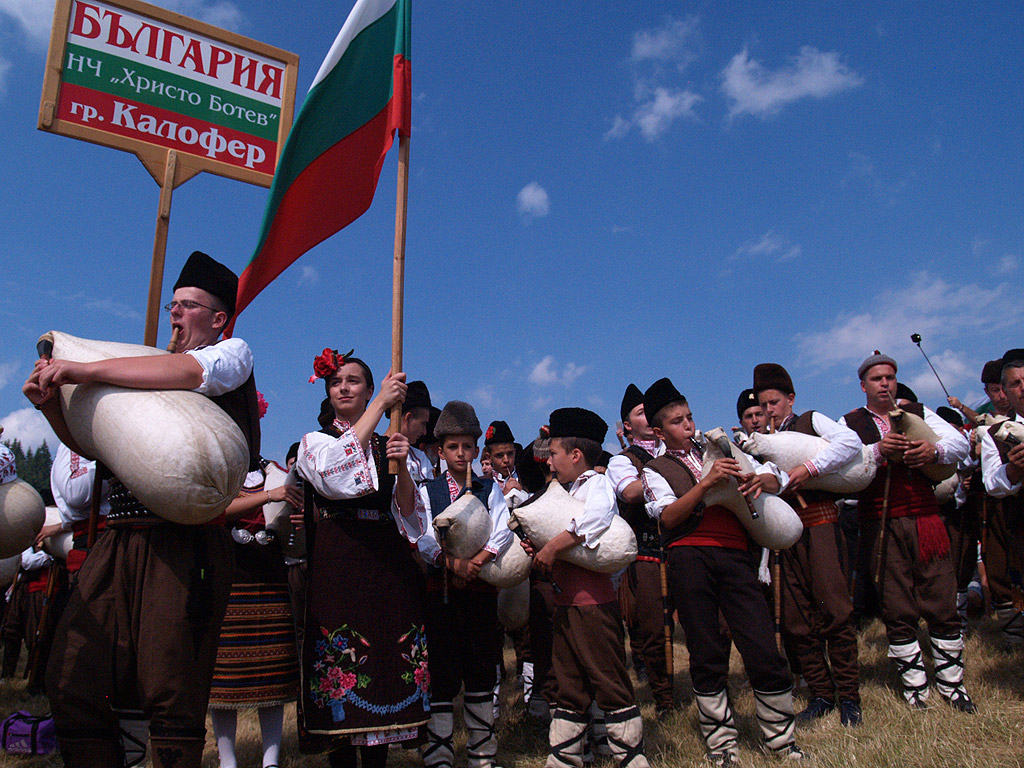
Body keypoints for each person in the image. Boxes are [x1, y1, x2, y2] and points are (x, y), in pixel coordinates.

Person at [25, 251, 261, 767]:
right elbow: (95, 448)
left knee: (171, 683)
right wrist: (51, 405)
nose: (174, 313)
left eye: (189, 306)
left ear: (218, 319)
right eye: (172, 304)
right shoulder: (141, 368)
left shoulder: (232, 354)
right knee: (77, 676)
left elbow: (191, 371)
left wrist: (83, 370)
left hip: (184, 544)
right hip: (118, 541)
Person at [640, 378, 802, 765]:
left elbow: (772, 473)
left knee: (761, 644)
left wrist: (764, 479)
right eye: (678, 421)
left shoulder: (721, 448)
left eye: (690, 416)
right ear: (661, 432)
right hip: (689, 558)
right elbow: (668, 517)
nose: (689, 426)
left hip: (735, 555)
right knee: (706, 650)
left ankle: (781, 741)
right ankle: (722, 745)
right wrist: (707, 483)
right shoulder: (655, 469)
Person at [294, 348, 427, 768]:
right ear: (329, 394)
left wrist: (402, 466)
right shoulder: (315, 443)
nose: (344, 387)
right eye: (337, 382)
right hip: (339, 564)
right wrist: (381, 406)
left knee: (386, 669)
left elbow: (411, 516)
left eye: (354, 381)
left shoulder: (391, 444)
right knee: (342, 669)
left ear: (368, 388)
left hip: (386, 567)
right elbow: (335, 478)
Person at [840, 351, 974, 713]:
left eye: (889, 377)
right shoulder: (849, 422)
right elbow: (843, 467)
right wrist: (877, 450)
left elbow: (960, 445)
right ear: (863, 385)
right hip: (879, 523)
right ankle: (916, 687)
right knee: (897, 605)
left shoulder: (918, 412)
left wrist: (933, 450)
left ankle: (952, 684)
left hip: (925, 519)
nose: (884, 383)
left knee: (942, 597)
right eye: (876, 379)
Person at [525, 407, 649, 768]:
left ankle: (631, 759)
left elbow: (594, 520)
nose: (549, 464)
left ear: (575, 455)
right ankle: (565, 759)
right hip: (566, 603)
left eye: (554, 455)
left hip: (594, 604)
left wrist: (552, 546)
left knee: (608, 679)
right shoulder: (562, 492)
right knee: (569, 683)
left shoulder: (597, 485)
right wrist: (540, 545)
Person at [753, 363, 862, 726]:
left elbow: (850, 443)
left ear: (791, 400)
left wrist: (809, 470)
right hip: (786, 538)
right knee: (797, 621)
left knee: (835, 609)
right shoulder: (760, 444)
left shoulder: (812, 421)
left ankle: (849, 697)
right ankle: (821, 693)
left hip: (820, 525)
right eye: (763, 404)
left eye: (774, 402)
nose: (769, 410)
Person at [417, 401, 514, 768]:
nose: (460, 453)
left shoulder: (491, 490)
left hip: (480, 593)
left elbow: (503, 527)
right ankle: (439, 754)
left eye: (467, 447)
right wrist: (452, 563)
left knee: (479, 669)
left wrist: (479, 560)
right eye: (452, 447)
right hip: (440, 594)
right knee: (441, 672)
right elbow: (423, 535)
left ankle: (482, 754)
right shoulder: (428, 491)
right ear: (440, 451)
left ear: (477, 450)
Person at [208, 438, 303, 768]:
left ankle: (271, 758)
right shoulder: (218, 475)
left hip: (271, 580)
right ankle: (227, 760)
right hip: (229, 583)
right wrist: (266, 496)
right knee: (224, 679)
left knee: (272, 671)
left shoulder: (277, 473)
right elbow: (212, 508)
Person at [605, 383, 674, 717]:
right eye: (640, 412)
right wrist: (667, 478)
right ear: (628, 425)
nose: (648, 415)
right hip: (647, 553)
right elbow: (630, 492)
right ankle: (665, 700)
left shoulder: (675, 449)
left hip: (681, 548)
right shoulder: (623, 460)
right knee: (653, 631)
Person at [980, 349, 1024, 648]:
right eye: (1016, 383)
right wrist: (1014, 470)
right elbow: (993, 483)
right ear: (1006, 391)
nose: (1023, 388)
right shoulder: (995, 433)